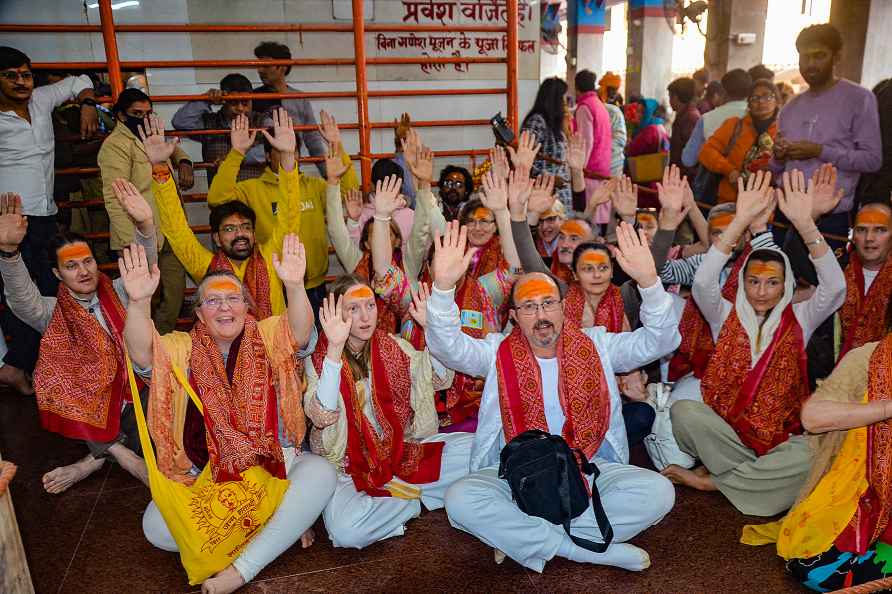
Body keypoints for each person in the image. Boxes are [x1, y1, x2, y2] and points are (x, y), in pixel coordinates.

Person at [427, 220, 679, 573]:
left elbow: (661, 341)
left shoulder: (598, 345)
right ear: (514, 317)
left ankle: (525, 538)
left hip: (588, 467)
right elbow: (447, 347)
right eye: (529, 307)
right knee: (460, 500)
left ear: (563, 307)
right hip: (515, 472)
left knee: (659, 492)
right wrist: (442, 288)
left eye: (548, 303)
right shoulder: (497, 352)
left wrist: (650, 284)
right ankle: (583, 547)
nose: (541, 315)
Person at [124, 233, 336, 594]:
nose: (225, 308)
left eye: (233, 299)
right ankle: (280, 524)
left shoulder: (268, 334)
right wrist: (140, 302)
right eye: (213, 301)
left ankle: (242, 569)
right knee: (156, 528)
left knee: (321, 473)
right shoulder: (181, 348)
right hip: (210, 477)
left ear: (246, 306)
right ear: (199, 313)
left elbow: (300, 333)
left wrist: (296, 286)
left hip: (275, 463)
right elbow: (144, 355)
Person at [664, 171, 847, 516]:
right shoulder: (725, 314)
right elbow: (703, 282)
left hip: (781, 439)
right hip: (730, 436)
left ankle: (716, 482)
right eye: (754, 282)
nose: (762, 292)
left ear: (785, 286)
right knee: (683, 412)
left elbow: (835, 288)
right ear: (743, 283)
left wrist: (807, 225)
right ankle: (756, 481)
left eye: (772, 283)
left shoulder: (801, 317)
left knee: (811, 453)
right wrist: (741, 221)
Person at [0, 184, 154, 493]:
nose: (83, 271)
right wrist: (9, 253)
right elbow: (21, 299)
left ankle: (91, 461)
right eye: (71, 266)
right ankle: (125, 459)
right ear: (57, 274)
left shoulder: (122, 291)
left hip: (139, 390)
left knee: (164, 430)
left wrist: (145, 226)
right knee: (57, 374)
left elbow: (145, 267)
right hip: (90, 402)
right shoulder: (51, 312)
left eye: (87, 261)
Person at [303, 276, 473, 549]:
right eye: (353, 308)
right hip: (349, 467)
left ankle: (398, 497)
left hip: (401, 450)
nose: (365, 316)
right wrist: (334, 349)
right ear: (335, 313)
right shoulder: (319, 361)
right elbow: (323, 415)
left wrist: (432, 330)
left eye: (370, 305)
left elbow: (439, 379)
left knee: (477, 449)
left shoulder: (394, 347)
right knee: (346, 532)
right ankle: (413, 499)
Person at [739, 305, 892, 591]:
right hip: (861, 500)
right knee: (815, 568)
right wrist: (886, 408)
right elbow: (813, 416)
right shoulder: (869, 359)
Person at [148, 111, 322, 319]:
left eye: (246, 227)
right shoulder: (206, 267)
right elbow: (177, 231)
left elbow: (289, 215)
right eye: (229, 229)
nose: (240, 234)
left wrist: (287, 157)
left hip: (274, 347)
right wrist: (159, 168)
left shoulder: (271, 258)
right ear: (217, 239)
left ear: (254, 235)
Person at [0, 46, 100, 392]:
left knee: (48, 293)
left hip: (45, 215)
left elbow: (81, 80)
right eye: (10, 76)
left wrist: (87, 103)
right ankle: (20, 366)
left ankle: (25, 366)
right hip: (10, 222)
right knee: (22, 297)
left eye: (25, 74)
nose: (20, 82)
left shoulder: (42, 99)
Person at [207, 108, 358, 316]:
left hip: (314, 285)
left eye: (294, 149)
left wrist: (337, 144)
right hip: (272, 284)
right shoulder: (252, 188)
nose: (290, 153)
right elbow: (216, 198)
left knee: (315, 345)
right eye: (281, 149)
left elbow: (351, 193)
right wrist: (236, 153)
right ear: (268, 155)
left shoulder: (313, 185)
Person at [771, 24, 882, 247]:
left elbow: (872, 160)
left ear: (836, 57)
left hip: (830, 218)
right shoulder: (790, 108)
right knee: (779, 280)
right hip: (786, 213)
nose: (810, 64)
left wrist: (819, 151)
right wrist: (780, 156)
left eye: (819, 56)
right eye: (804, 57)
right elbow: (776, 170)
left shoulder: (859, 98)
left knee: (826, 282)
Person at [98, 88, 193, 335]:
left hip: (171, 228)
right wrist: (129, 244)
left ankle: (162, 347)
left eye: (148, 112)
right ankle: (144, 355)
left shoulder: (152, 134)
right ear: (120, 116)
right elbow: (114, 197)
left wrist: (183, 161)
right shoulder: (115, 146)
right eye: (136, 113)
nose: (143, 117)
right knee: (143, 299)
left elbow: (172, 147)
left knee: (174, 295)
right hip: (138, 233)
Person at [171, 72, 269, 184]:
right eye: (233, 102)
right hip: (221, 197)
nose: (240, 108)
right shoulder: (210, 123)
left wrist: (236, 158)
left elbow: (275, 146)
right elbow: (180, 122)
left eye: (245, 102)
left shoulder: (261, 121)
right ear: (224, 101)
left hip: (255, 197)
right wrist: (205, 99)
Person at [698, 79, 780, 203]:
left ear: (777, 101)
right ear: (748, 103)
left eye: (767, 96)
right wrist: (729, 171)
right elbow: (706, 152)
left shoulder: (785, 131)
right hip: (729, 202)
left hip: (766, 206)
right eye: (755, 98)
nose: (761, 101)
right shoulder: (734, 125)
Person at [252, 40, 327, 175]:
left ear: (283, 67)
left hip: (292, 171)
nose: (260, 70)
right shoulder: (253, 97)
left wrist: (327, 174)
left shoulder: (300, 99)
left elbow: (312, 139)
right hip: (261, 175)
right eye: (258, 65)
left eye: (265, 65)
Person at [837, 200, 892, 358]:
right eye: (862, 230)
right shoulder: (835, 271)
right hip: (834, 374)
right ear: (853, 235)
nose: (869, 238)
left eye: (880, 230)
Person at [681, 69, 753, 171]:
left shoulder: (706, 119)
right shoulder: (756, 117)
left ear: (723, 91)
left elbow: (688, 160)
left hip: (712, 183)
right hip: (748, 182)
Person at [522, 77, 571, 208]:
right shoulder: (537, 121)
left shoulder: (555, 124)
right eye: (564, 100)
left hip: (561, 200)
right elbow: (524, 160)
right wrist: (550, 179)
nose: (566, 105)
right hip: (544, 199)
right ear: (555, 100)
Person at [574, 69, 613, 227]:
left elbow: (586, 140)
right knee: (600, 211)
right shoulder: (599, 104)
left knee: (589, 219)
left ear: (577, 87)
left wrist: (579, 168)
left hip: (591, 168)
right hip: (602, 165)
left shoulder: (584, 107)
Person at [667, 78, 701, 181]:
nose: (669, 101)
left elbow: (692, 153)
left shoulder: (690, 118)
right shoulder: (683, 115)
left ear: (676, 97)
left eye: (670, 97)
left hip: (685, 178)